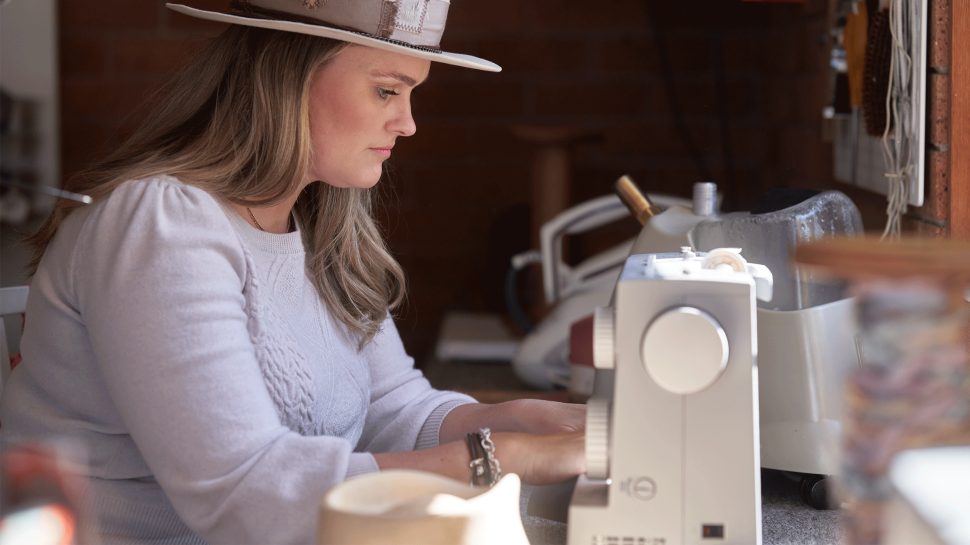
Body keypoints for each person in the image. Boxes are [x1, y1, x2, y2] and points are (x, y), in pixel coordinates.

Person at [0, 2, 586, 544]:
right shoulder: (160, 226)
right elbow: (246, 492)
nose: (408, 123)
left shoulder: (321, 226)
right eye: (386, 90)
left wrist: (526, 419)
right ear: (286, 80)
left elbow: (393, 410)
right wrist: (502, 457)